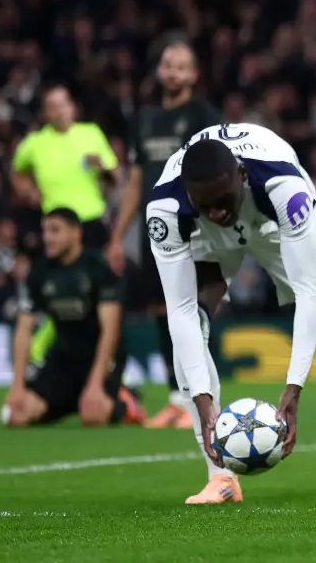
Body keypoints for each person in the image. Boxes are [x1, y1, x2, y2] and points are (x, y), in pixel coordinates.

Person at [146, 124, 316, 504]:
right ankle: (220, 477)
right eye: (204, 204)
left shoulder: (285, 189)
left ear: (242, 175)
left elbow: (308, 292)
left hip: (277, 227)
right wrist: (203, 401)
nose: (217, 211)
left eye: (222, 200)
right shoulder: (166, 209)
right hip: (205, 238)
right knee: (192, 328)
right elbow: (178, 312)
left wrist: (294, 387)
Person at [106, 37, 224, 430]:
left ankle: (202, 399)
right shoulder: (145, 119)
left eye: (181, 66)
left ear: (194, 74)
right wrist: (118, 236)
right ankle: (177, 400)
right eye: (168, 65)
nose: (173, 73)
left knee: (191, 311)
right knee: (162, 311)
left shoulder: (204, 116)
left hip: (194, 226)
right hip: (155, 229)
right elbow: (135, 182)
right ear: (159, 71)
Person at [2, 208, 145, 428]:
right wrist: (17, 386)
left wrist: (95, 384)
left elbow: (111, 330)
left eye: (55, 230)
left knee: (93, 417)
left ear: (76, 233)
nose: (47, 238)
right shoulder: (40, 271)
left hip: (100, 359)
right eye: (44, 231)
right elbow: (24, 328)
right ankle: (75, 401)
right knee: (16, 416)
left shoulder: (98, 268)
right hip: (63, 358)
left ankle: (126, 402)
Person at [10, 84, 120, 249]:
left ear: (72, 106)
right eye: (53, 106)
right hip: (56, 223)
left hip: (91, 218)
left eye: (63, 104)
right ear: (45, 113)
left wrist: (101, 166)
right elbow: (16, 172)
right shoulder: (34, 143)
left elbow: (115, 175)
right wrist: (29, 192)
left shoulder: (91, 133)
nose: (60, 110)